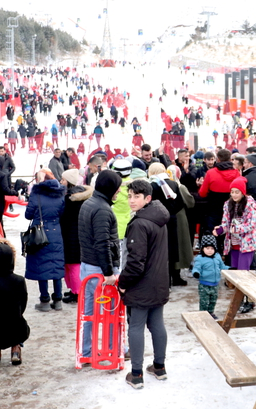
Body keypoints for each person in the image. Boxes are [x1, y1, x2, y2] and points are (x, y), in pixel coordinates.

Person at [118, 179, 171, 389]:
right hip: (158, 281)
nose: (131, 200)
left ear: (147, 198)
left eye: (136, 196)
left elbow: (135, 261)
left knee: (137, 326)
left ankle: (137, 374)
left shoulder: (140, 223)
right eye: (129, 196)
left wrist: (123, 282)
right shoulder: (158, 218)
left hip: (141, 283)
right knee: (157, 324)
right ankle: (159, 367)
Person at [77, 169, 122, 359]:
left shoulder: (89, 203)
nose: (119, 192)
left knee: (89, 313)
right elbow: (102, 243)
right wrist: (109, 272)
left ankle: (87, 350)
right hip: (100, 269)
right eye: (117, 189)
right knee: (110, 311)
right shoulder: (102, 209)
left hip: (87, 266)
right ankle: (113, 349)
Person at [25, 169, 66, 312]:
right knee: (56, 265)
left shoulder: (36, 194)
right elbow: (62, 212)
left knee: (41, 266)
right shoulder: (60, 193)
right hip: (56, 232)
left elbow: (28, 215)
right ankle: (58, 299)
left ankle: (45, 300)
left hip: (39, 233)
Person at [148, 162, 188, 286]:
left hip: (156, 222)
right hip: (172, 220)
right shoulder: (173, 184)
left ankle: (163, 281)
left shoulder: (151, 186)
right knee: (171, 250)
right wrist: (170, 212)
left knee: (158, 251)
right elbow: (181, 203)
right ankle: (174, 277)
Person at [59, 169, 93, 304]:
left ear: (69, 182)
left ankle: (78, 292)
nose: (61, 182)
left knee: (73, 265)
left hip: (71, 235)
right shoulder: (81, 196)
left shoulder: (70, 199)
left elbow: (65, 218)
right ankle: (74, 290)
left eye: (63, 180)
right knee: (72, 264)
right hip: (77, 234)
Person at [214, 176, 256, 273]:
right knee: (234, 272)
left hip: (247, 243)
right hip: (233, 243)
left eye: (237, 192)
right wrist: (221, 229)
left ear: (242, 192)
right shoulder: (227, 204)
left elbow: (251, 224)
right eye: (232, 192)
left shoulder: (251, 204)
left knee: (242, 272)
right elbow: (226, 222)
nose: (234, 195)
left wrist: (237, 228)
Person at [192, 235, 228, 319]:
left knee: (213, 301)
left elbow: (222, 266)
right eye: (207, 248)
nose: (210, 251)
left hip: (215, 285)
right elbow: (196, 268)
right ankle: (203, 314)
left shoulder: (217, 256)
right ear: (202, 248)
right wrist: (196, 273)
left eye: (212, 248)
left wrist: (230, 268)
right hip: (204, 285)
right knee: (204, 302)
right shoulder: (200, 258)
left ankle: (211, 312)